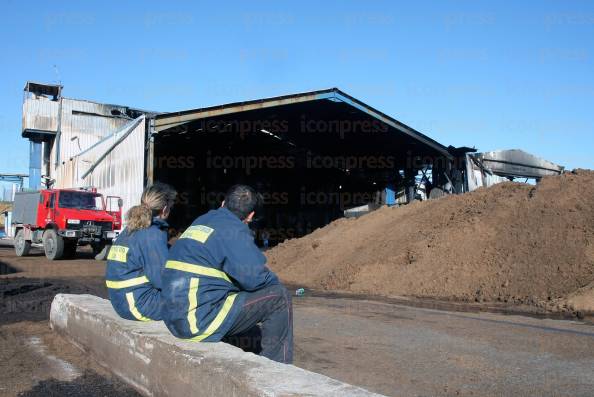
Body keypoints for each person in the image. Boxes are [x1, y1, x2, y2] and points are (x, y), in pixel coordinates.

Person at [161, 184, 293, 364]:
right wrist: (274, 282)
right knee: (280, 297)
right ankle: (278, 370)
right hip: (194, 321)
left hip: (173, 317)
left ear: (223, 203)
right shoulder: (234, 229)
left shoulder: (202, 220)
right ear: (250, 216)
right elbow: (256, 278)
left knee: (253, 334)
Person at [105, 182, 177, 321]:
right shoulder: (152, 234)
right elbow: (163, 280)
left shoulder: (132, 229)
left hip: (122, 300)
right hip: (139, 305)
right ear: (165, 209)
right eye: (171, 206)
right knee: (198, 299)